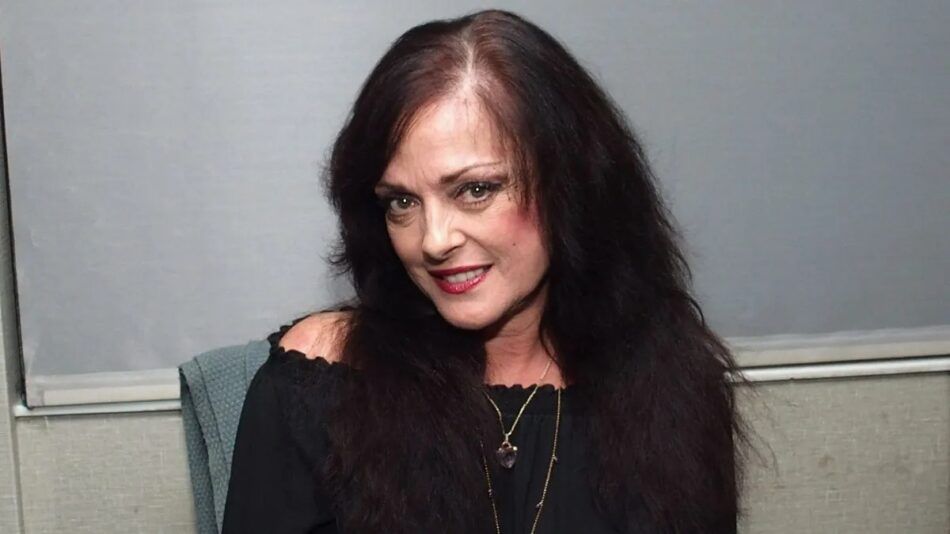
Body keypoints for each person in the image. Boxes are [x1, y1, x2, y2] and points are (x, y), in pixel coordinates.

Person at [222, 8, 748, 534]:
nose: (433, 240)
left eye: (475, 190)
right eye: (401, 201)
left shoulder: (672, 387)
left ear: (571, 185)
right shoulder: (321, 382)